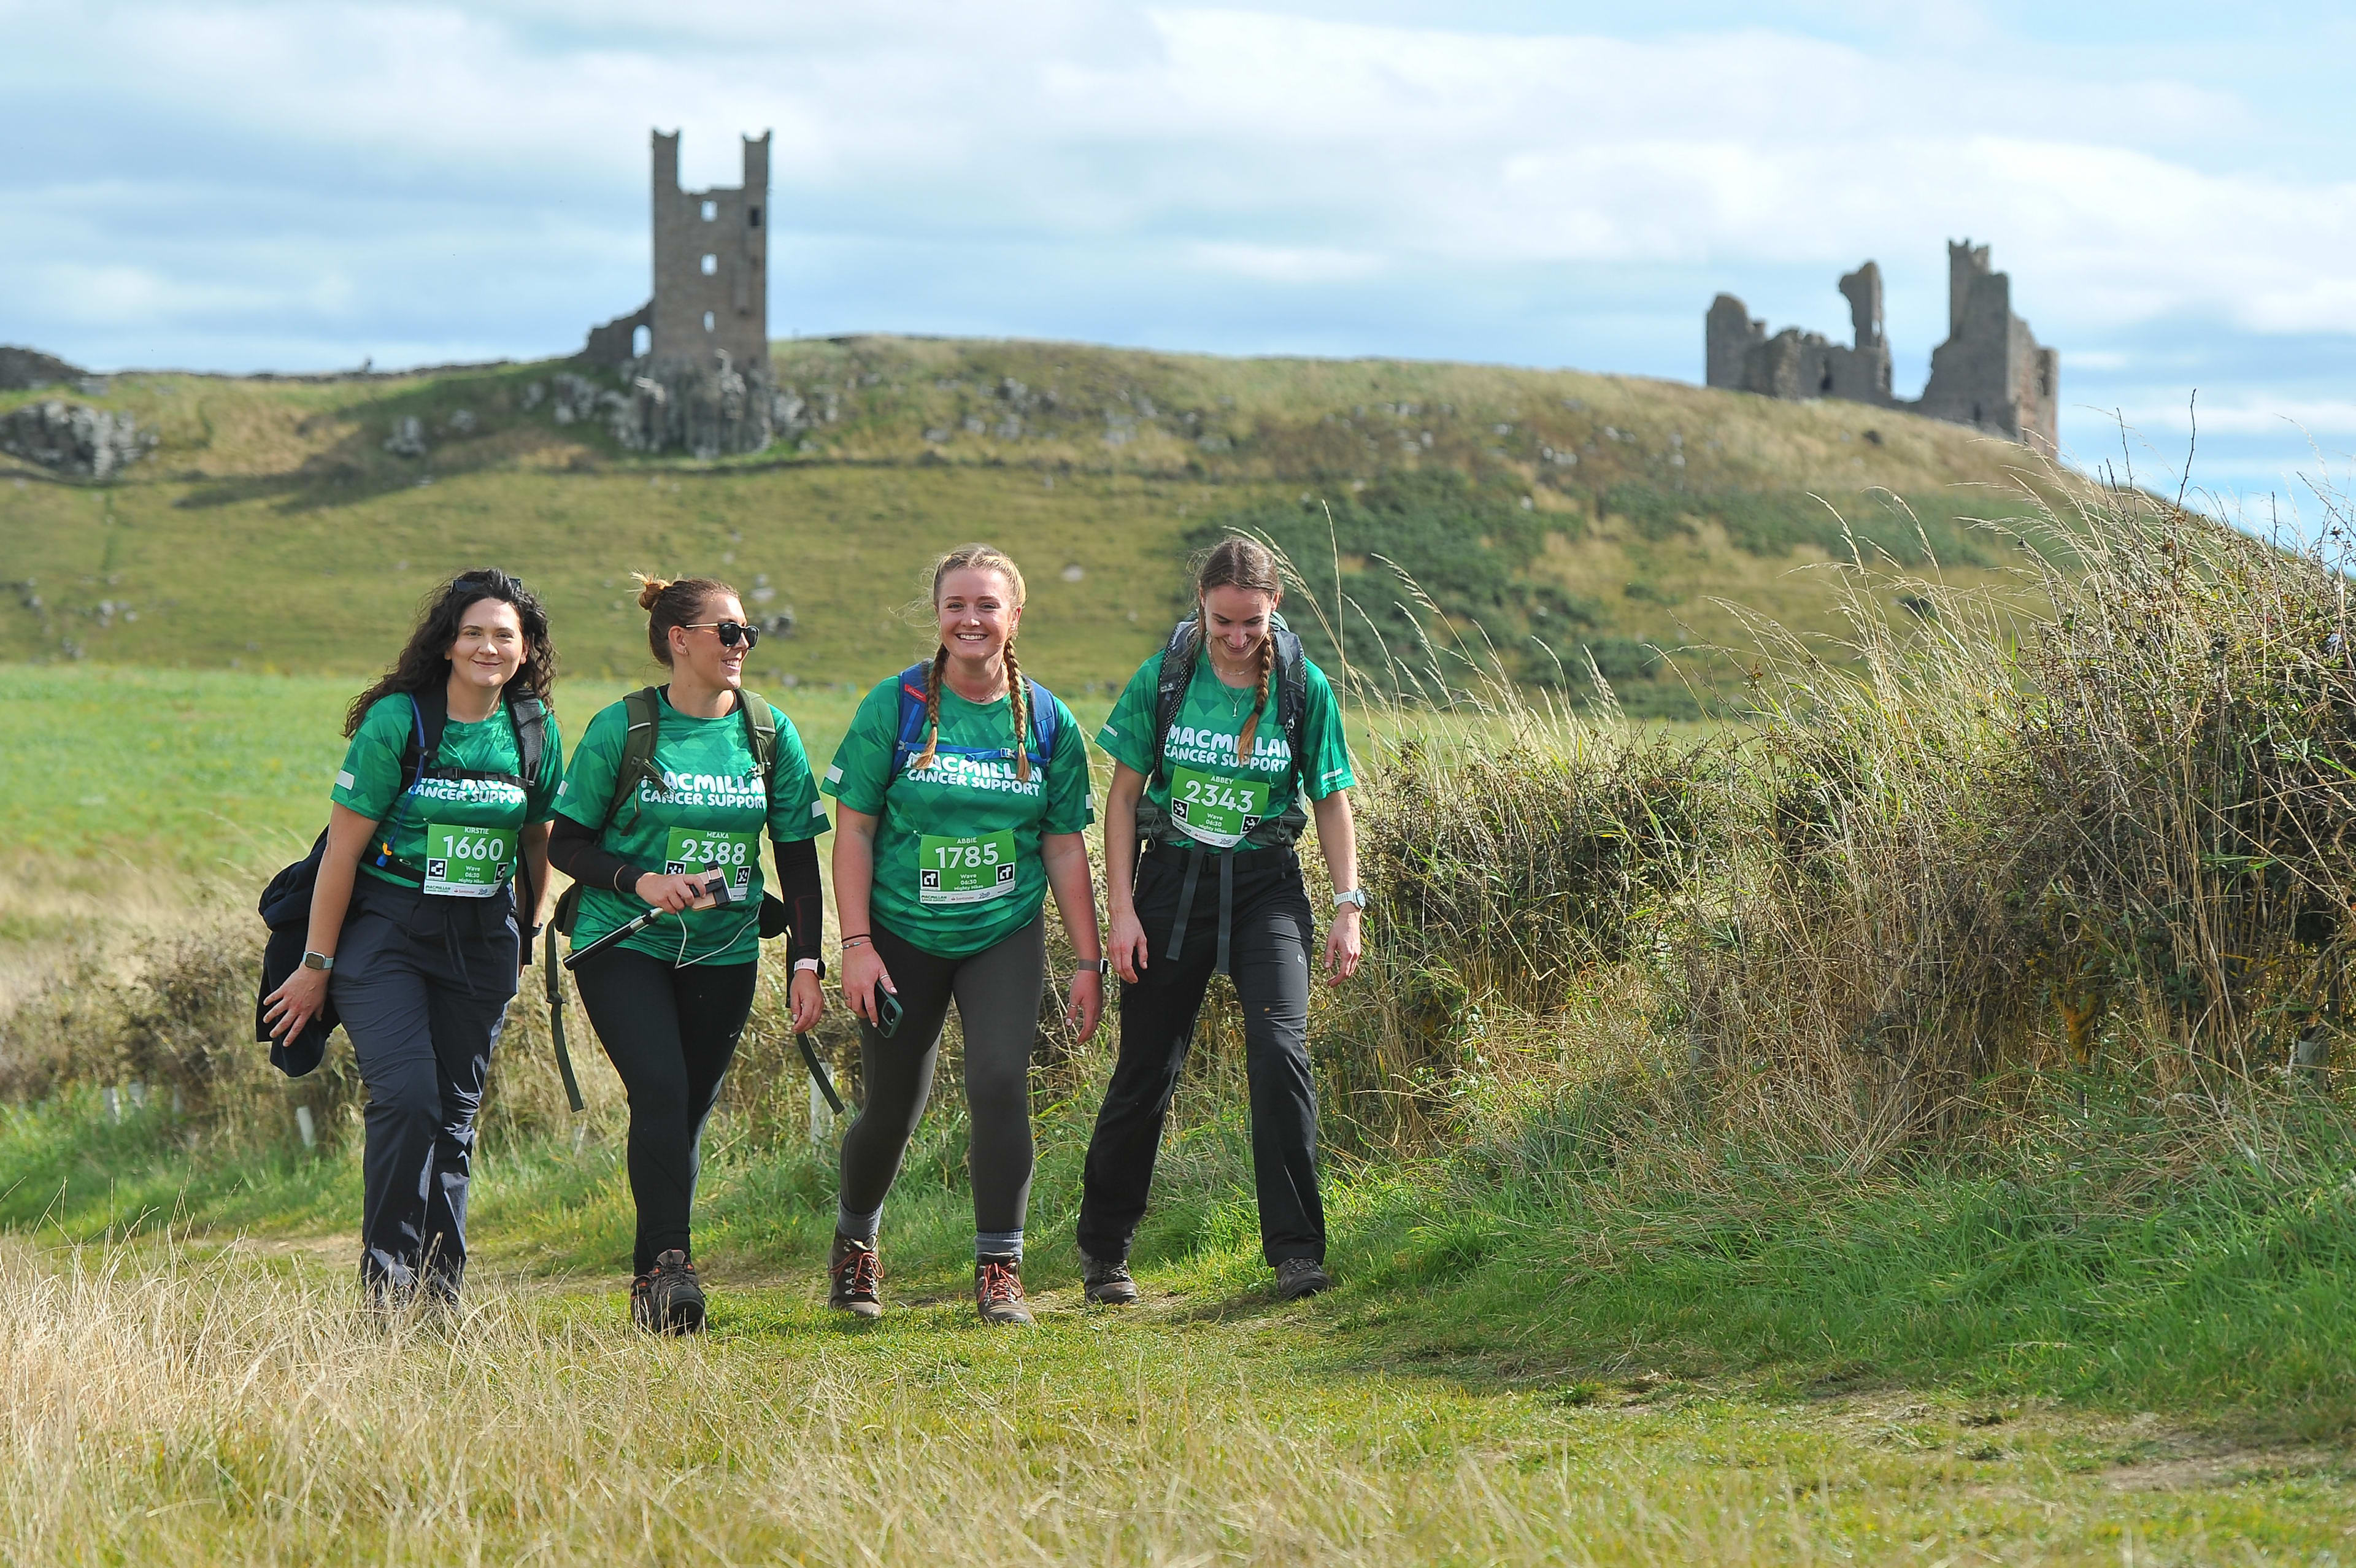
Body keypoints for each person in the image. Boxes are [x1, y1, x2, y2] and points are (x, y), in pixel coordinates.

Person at [262, 568, 564, 1308]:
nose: (488, 647)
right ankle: (388, 1287)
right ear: (448, 642)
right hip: (386, 930)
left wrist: (525, 933)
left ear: (525, 651)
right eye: (474, 633)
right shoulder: (400, 721)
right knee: (408, 1099)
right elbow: (341, 853)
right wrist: (315, 965)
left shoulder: (533, 729)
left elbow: (538, 843)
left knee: (456, 1115)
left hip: (484, 937)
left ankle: (439, 1292)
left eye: (505, 635)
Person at [1075, 536, 1366, 1305]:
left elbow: (1331, 800)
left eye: (1252, 624)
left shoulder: (1305, 687)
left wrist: (1348, 905)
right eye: (1222, 622)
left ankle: (1297, 1254)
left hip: (1267, 887)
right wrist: (1122, 912)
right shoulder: (1165, 678)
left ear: (1275, 609)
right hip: (1170, 889)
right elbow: (1123, 799)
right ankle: (1105, 1253)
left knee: (1280, 1055)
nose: (1237, 639)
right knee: (1148, 1070)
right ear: (1200, 608)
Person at [823, 544, 1104, 1324]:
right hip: (900, 935)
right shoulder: (897, 703)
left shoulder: (1047, 719)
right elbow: (854, 831)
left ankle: (1000, 1269)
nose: (970, 620)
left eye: (987, 606)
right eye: (956, 606)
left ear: (1015, 617)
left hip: (1001, 933)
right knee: (892, 1108)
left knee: (997, 1084)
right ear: (938, 615)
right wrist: (857, 944)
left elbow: (1061, 846)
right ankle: (855, 1248)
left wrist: (1088, 961)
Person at [548, 575, 828, 1335]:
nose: (742, 646)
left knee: (682, 1113)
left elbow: (798, 857)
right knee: (664, 1091)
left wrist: (808, 962)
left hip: (726, 948)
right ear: (680, 640)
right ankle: (676, 1269)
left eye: (747, 634)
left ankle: (652, 1284)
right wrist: (640, 879)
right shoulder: (625, 728)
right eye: (727, 632)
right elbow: (567, 841)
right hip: (622, 941)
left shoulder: (770, 733)